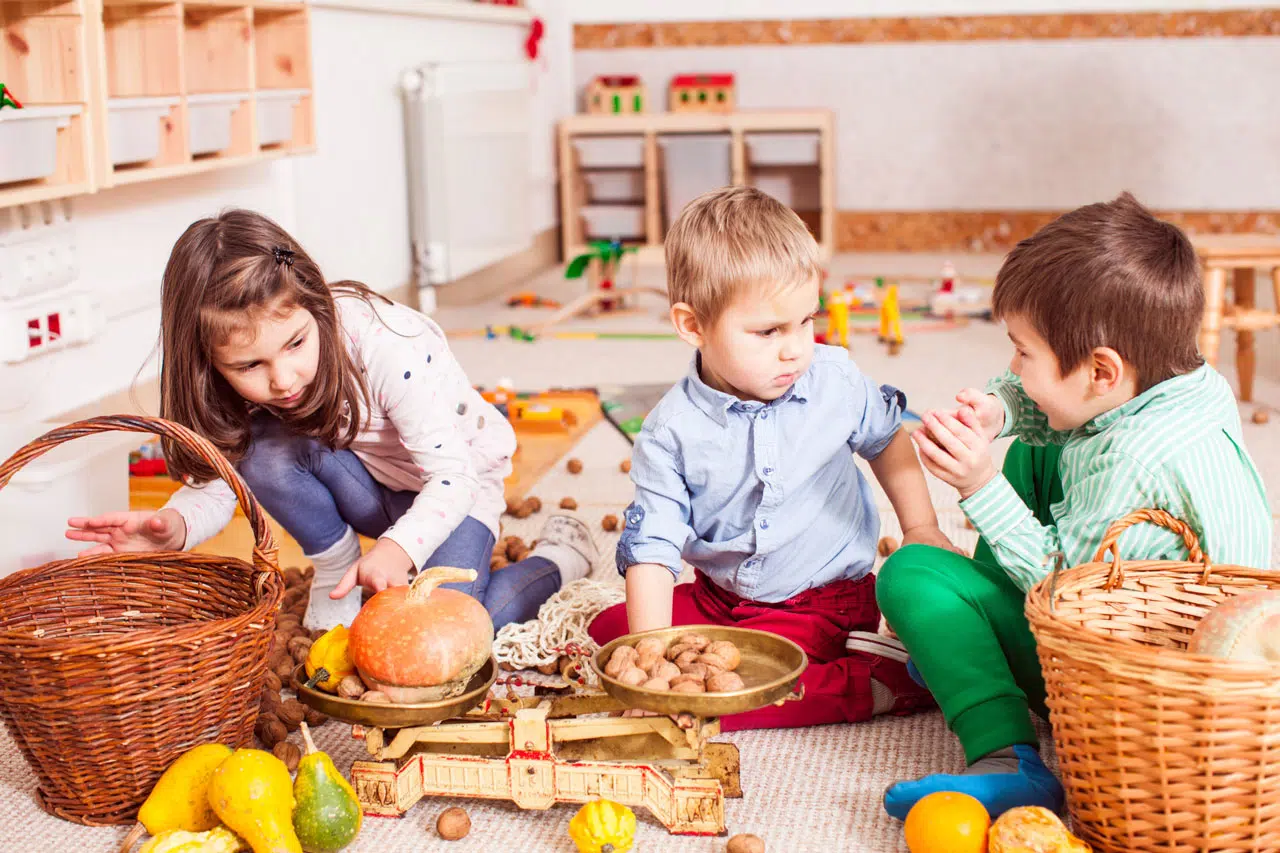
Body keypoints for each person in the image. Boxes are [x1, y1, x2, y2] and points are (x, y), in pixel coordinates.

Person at [877, 192, 1272, 819]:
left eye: (1023, 353)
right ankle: (973, 638)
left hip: (1125, 688)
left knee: (911, 573)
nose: (1011, 363)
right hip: (1170, 633)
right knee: (1034, 450)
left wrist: (977, 487)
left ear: (1101, 371)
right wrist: (1002, 408)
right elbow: (1069, 410)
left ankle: (1007, 758)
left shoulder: (1132, 461)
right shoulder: (1189, 386)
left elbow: (1065, 596)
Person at [67, 209, 596, 631]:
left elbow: (452, 479)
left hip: (455, 489)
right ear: (208, 363)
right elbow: (221, 482)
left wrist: (397, 547)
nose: (283, 379)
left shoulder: (387, 344)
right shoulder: (244, 376)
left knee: (460, 626)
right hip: (370, 484)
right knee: (262, 450)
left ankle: (558, 558)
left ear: (315, 303)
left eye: (296, 343)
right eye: (250, 365)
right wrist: (177, 526)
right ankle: (336, 564)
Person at [588, 186, 948, 729]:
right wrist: (650, 656)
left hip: (823, 603)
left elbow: (886, 438)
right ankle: (808, 670)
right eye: (768, 331)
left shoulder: (834, 380)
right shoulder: (669, 431)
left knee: (739, 697)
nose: (796, 348)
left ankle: (877, 683)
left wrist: (921, 526)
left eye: (807, 321)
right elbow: (654, 546)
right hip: (720, 601)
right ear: (693, 326)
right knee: (611, 636)